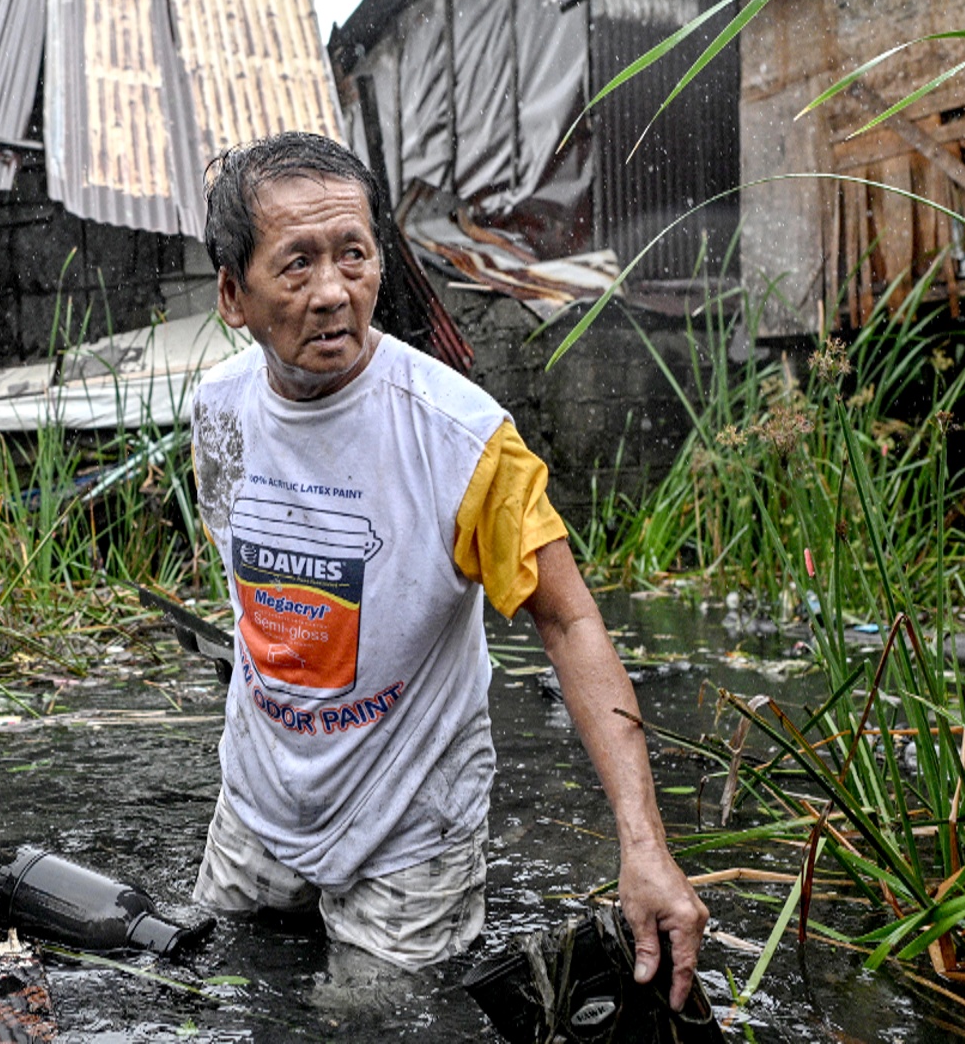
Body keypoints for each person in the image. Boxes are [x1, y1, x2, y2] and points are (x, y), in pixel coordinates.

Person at [188, 132, 709, 1006]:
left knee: (370, 1024)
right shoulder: (218, 410)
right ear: (234, 296)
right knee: (224, 991)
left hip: (409, 833)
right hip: (255, 806)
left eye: (353, 255)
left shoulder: (460, 439)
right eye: (297, 264)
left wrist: (643, 844)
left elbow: (571, 620)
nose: (331, 293)